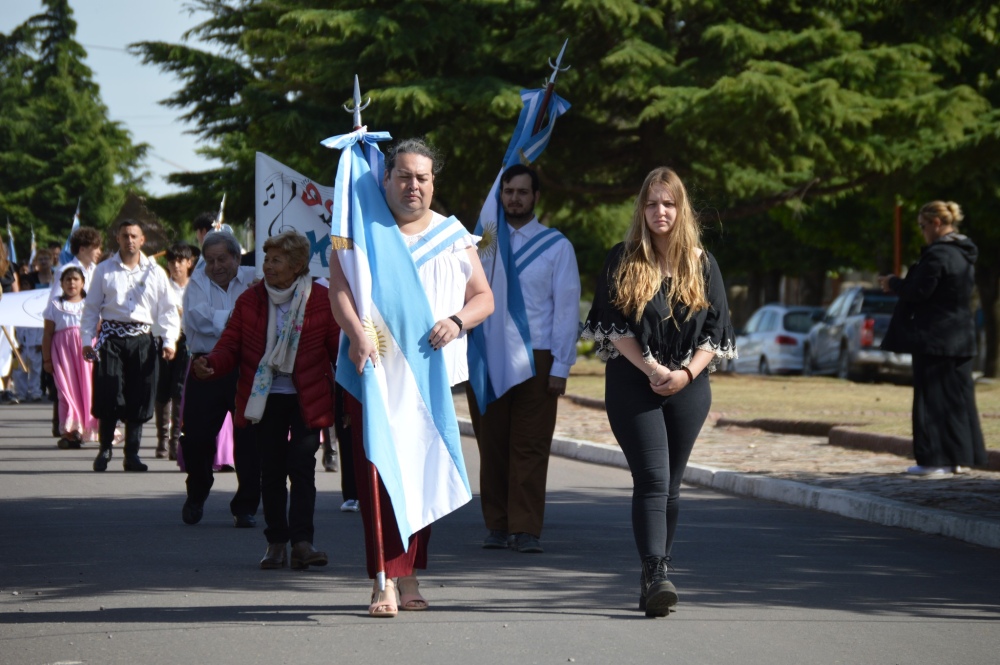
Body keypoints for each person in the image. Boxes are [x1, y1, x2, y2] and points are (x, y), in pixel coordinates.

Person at [328, 138, 494, 617]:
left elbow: (484, 298)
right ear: (387, 178)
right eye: (403, 175)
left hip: (427, 378)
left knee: (421, 474)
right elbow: (339, 289)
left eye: (422, 177)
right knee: (377, 474)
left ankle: (412, 574)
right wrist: (357, 333)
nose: (413, 185)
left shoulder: (453, 235)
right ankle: (383, 581)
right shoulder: (360, 228)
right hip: (374, 371)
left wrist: (458, 321)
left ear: (432, 182)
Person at [581, 167, 736, 617]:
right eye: (652, 203)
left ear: (680, 208)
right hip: (634, 381)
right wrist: (652, 368)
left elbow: (716, 331)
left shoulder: (703, 263)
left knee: (670, 485)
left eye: (668, 203)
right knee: (651, 478)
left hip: (690, 385)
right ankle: (655, 572)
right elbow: (612, 327)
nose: (660, 211)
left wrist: (685, 375)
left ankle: (656, 575)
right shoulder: (622, 258)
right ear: (641, 209)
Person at [192, 230, 340, 569]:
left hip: (308, 398)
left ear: (298, 264)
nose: (268, 266)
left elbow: (336, 352)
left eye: (276, 260)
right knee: (271, 472)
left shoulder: (321, 299)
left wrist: (353, 389)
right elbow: (230, 345)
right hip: (264, 399)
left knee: (302, 469)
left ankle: (302, 543)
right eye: (267, 259)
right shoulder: (250, 300)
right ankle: (276, 543)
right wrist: (210, 364)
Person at [467, 164, 580, 554]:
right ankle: (497, 525)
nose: (514, 198)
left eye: (522, 192)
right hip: (489, 352)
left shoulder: (556, 246)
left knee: (530, 446)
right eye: (508, 191)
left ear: (535, 197)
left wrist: (561, 367)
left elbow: (566, 310)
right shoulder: (481, 244)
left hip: (539, 359)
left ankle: (526, 528)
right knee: (492, 443)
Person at [878, 201, 987, 476]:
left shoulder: (938, 255)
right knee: (957, 400)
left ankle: (933, 460)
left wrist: (894, 283)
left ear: (936, 223)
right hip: (961, 338)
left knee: (932, 399)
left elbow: (920, 291)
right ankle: (958, 458)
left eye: (923, 226)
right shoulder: (963, 254)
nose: (923, 232)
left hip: (936, 338)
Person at [81, 219, 180, 472]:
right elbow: (91, 309)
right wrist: (85, 341)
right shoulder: (104, 270)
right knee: (108, 392)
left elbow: (168, 310)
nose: (129, 240)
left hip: (142, 340)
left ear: (142, 240)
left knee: (139, 395)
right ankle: (104, 449)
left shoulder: (155, 272)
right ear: (118, 238)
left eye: (134, 236)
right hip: (111, 339)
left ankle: (132, 455)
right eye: (125, 235)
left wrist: (169, 341)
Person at [179, 231, 259, 527]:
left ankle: (246, 506)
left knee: (249, 439)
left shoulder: (256, 276)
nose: (216, 266)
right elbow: (199, 319)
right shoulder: (196, 283)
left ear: (237, 257)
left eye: (222, 259)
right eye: (210, 260)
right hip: (205, 365)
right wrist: (244, 315)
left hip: (246, 367)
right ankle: (197, 491)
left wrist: (242, 312)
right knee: (197, 438)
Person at [42, 267, 98, 447]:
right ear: (61, 284)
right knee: (66, 392)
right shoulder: (55, 305)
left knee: (87, 390)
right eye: (67, 280)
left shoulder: (91, 305)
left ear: (83, 283)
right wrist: (47, 359)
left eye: (75, 279)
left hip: (86, 354)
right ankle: (69, 432)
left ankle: (87, 429)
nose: (71, 283)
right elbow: (48, 334)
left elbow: (99, 329)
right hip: (63, 355)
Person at [153, 242, 195, 460]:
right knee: (162, 390)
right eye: (172, 261)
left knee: (180, 390)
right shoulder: (162, 286)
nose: (176, 265)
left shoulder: (196, 286)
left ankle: (175, 440)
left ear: (189, 262)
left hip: (187, 341)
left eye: (180, 261)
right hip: (164, 341)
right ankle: (161, 438)